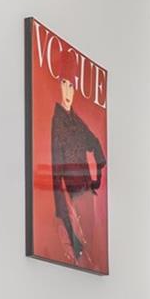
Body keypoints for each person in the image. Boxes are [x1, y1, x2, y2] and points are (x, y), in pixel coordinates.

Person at [47, 76, 105, 262]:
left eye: (71, 86)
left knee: (93, 248)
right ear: (58, 87)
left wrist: (98, 175)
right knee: (80, 253)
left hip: (87, 192)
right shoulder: (57, 122)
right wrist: (62, 207)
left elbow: (95, 143)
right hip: (71, 196)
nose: (68, 91)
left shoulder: (77, 122)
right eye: (64, 84)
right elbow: (56, 171)